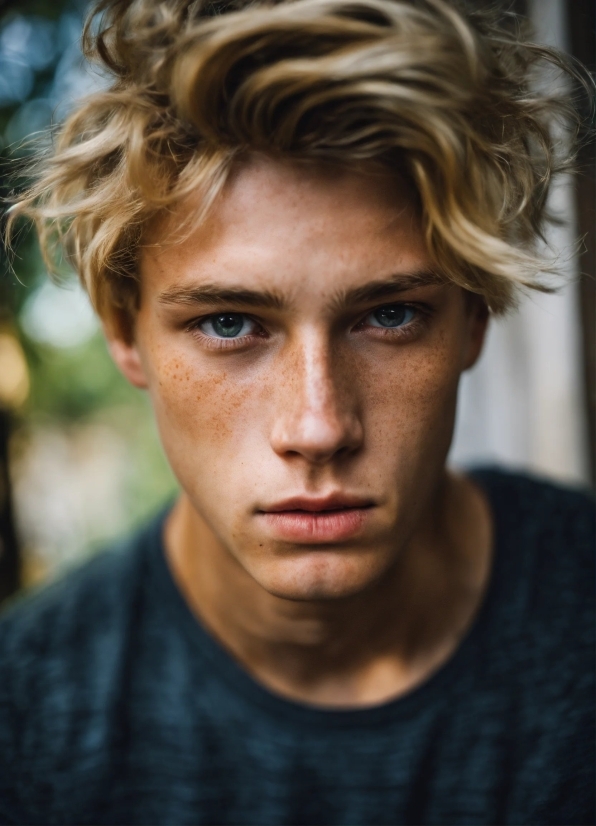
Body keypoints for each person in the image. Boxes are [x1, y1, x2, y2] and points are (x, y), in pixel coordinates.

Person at [1, 0, 594, 823]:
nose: (317, 426)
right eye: (229, 324)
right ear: (123, 332)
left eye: (389, 315)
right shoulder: (25, 729)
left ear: (476, 318)